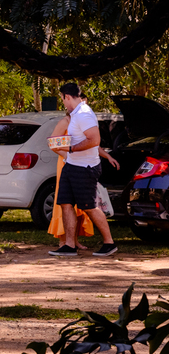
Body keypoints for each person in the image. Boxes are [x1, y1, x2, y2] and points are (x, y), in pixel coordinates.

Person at [48, 83, 117, 257]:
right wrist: (57, 145)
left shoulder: (84, 114)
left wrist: (70, 149)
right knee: (65, 203)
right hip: (71, 165)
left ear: (67, 97)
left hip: (85, 168)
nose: (63, 102)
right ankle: (69, 245)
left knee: (89, 206)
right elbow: (65, 140)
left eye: (63, 99)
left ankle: (109, 243)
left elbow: (94, 140)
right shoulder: (75, 114)